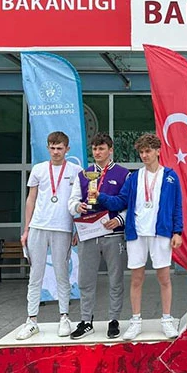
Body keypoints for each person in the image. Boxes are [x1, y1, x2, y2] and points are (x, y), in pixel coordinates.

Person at [90, 134, 182, 340]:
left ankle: (167, 320)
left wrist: (178, 231)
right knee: (136, 279)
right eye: (141, 152)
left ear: (158, 151)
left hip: (161, 232)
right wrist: (100, 196)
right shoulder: (134, 177)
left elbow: (177, 206)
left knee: (164, 278)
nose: (144, 155)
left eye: (148, 151)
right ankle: (135, 321)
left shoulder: (170, 176)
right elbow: (120, 202)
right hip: (136, 233)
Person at [17, 131, 83, 340]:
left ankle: (64, 317)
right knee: (36, 274)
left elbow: (78, 201)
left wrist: (77, 229)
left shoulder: (76, 170)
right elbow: (31, 199)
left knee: (62, 273)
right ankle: (31, 320)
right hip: (38, 226)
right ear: (48, 148)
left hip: (63, 228)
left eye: (59, 148)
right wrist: (26, 229)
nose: (56, 152)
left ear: (67, 149)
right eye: (52, 148)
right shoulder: (38, 169)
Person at [67, 133, 130, 340]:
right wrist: (78, 206)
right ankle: (86, 321)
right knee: (85, 279)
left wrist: (119, 220)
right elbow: (72, 201)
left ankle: (114, 320)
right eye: (94, 149)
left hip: (113, 232)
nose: (97, 152)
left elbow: (130, 204)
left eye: (101, 148)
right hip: (88, 231)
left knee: (116, 279)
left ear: (110, 150)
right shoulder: (83, 174)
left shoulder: (123, 174)